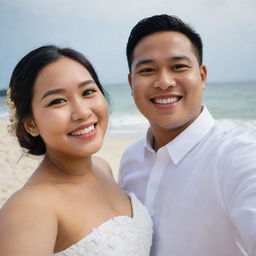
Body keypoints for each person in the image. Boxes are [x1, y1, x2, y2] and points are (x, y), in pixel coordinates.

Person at [118, 14, 256, 256]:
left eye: (178, 67)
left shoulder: (237, 154)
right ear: (131, 83)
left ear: (202, 76)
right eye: (148, 70)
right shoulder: (131, 160)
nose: (164, 82)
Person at [0, 45, 153, 256]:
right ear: (31, 125)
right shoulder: (29, 209)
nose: (81, 112)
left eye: (88, 92)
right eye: (58, 101)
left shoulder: (103, 168)